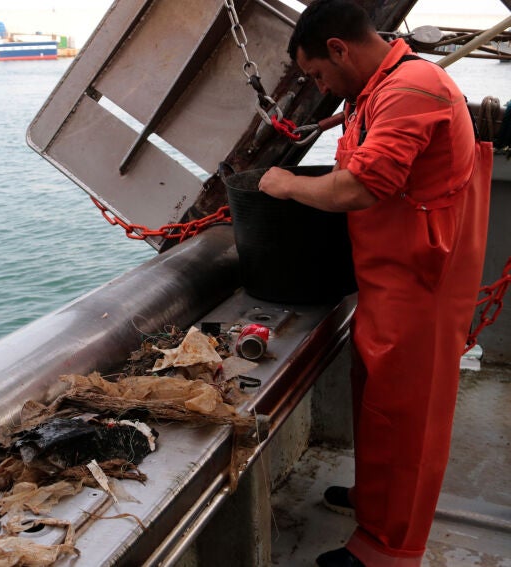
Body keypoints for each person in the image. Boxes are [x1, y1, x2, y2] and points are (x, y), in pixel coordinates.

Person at [258, 1, 492, 566]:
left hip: (424, 284)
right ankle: (376, 501)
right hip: (390, 277)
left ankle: (389, 550)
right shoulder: (376, 91)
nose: (320, 87)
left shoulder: (413, 89)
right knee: (379, 402)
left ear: (339, 49)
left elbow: (358, 188)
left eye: (317, 74)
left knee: (410, 417)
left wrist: (285, 185)